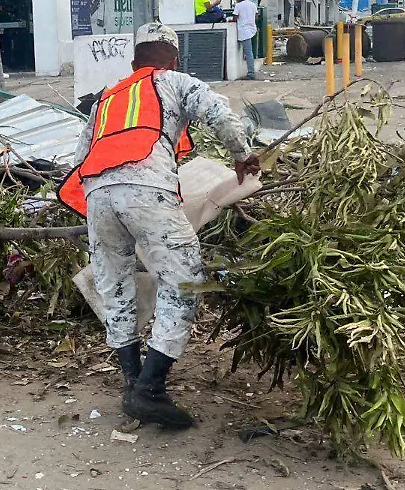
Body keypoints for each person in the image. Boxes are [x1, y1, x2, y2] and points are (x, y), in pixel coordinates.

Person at [58, 22, 260, 429]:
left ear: (135, 62)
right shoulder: (175, 81)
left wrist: (103, 201)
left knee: (115, 286)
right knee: (185, 280)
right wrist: (242, 156)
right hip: (146, 187)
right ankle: (150, 389)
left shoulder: (106, 98)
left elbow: (79, 158)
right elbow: (219, 114)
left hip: (97, 194)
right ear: (174, 60)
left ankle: (133, 382)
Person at [232, 0, 259, 80]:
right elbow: (256, 17)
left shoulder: (238, 5)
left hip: (243, 31)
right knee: (249, 52)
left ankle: (251, 74)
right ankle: (250, 71)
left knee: (248, 53)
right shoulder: (252, 4)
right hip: (252, 30)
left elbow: (235, 18)